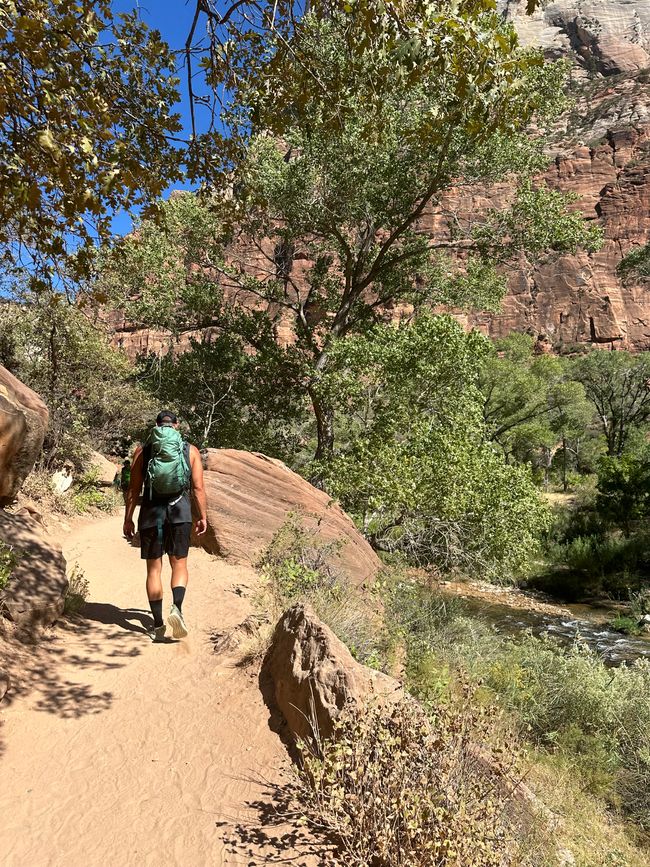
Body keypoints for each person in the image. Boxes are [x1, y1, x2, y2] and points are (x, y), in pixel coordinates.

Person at [123, 410, 208, 642]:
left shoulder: (143, 451)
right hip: (180, 512)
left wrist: (128, 517)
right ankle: (177, 609)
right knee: (179, 565)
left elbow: (133, 489)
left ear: (157, 425)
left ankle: (158, 625)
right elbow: (198, 488)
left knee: (154, 569)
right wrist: (202, 516)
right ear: (177, 426)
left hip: (151, 514)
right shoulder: (189, 451)